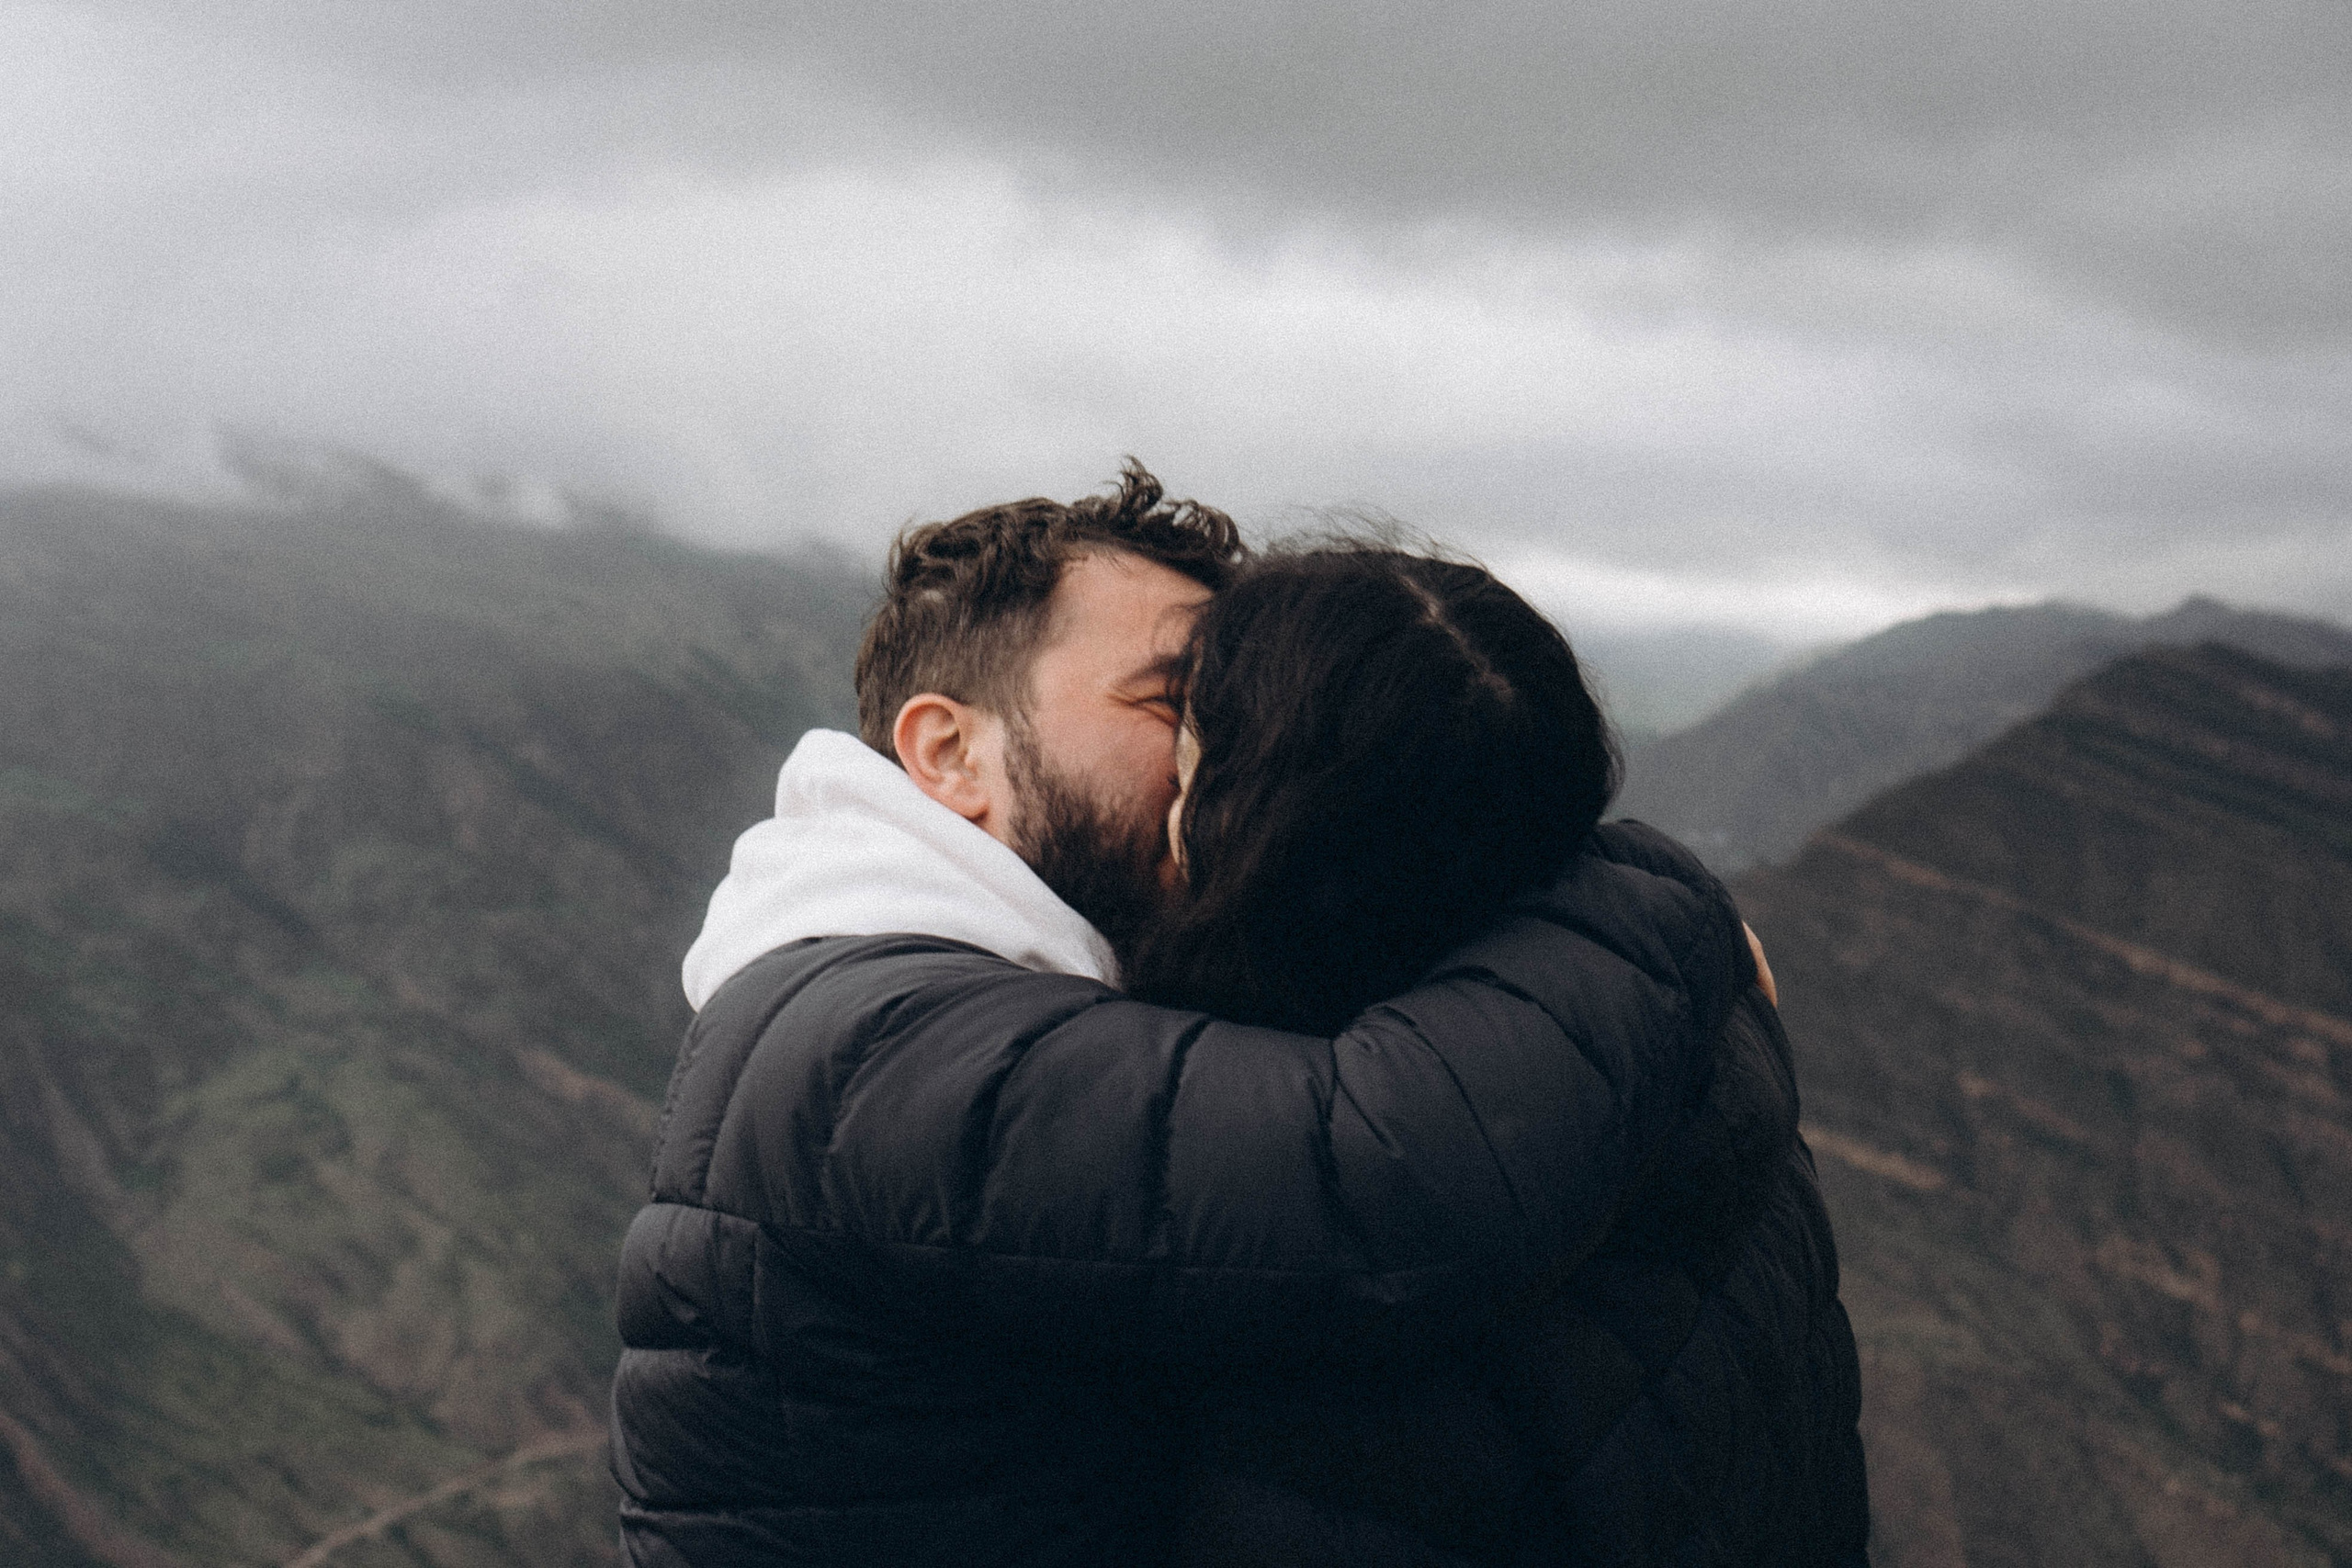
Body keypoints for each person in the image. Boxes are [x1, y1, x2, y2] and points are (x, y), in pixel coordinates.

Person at [609, 465, 1865, 1565]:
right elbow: (1376, 1179)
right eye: (1172, 704)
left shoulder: (1029, 988)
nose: (1225, 759)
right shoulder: (859, 1040)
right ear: (949, 756)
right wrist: (1655, 908)